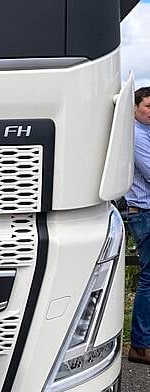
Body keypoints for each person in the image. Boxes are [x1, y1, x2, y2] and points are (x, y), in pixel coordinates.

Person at [126, 86, 150, 365]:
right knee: (148, 279)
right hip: (144, 212)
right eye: (147, 107)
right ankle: (140, 346)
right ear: (134, 107)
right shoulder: (136, 135)